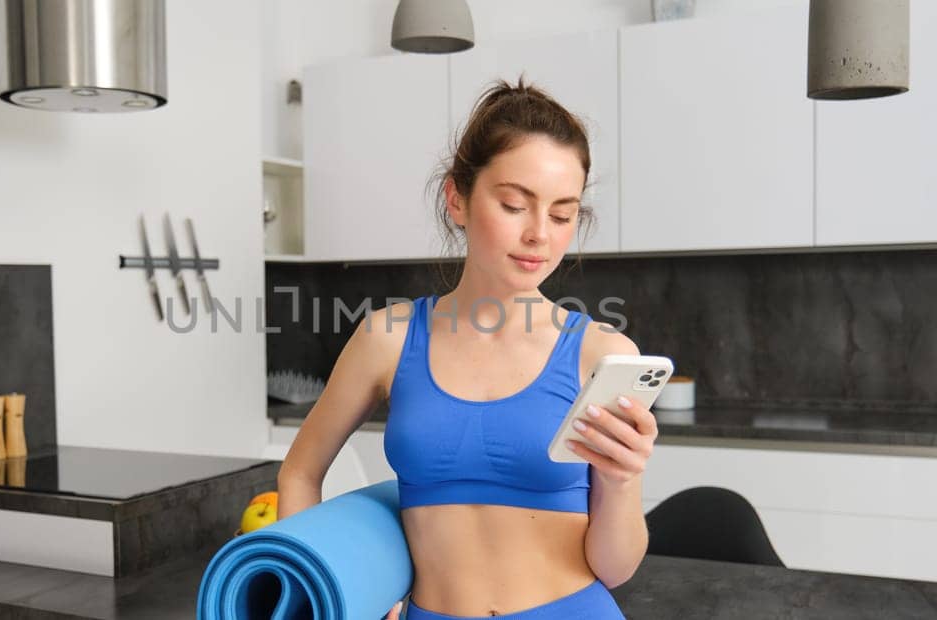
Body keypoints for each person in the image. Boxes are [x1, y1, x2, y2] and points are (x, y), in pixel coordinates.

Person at [277, 77, 656, 620]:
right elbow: (299, 473)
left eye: (562, 214)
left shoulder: (602, 353)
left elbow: (615, 568)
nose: (539, 235)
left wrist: (622, 482)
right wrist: (325, 592)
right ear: (457, 198)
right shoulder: (388, 338)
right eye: (513, 204)